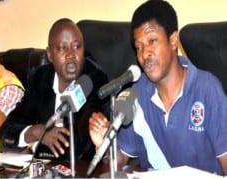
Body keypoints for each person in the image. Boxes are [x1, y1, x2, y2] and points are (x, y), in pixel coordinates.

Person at [89, 0, 227, 176]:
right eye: (138, 47)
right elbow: (119, 161)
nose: (144, 53)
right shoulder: (135, 96)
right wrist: (104, 145)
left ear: (173, 40)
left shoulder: (207, 90)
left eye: (152, 41)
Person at [0, 18, 109, 161]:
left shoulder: (94, 80)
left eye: (77, 47)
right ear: (50, 54)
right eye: (62, 48)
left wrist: (36, 146)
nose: (71, 54)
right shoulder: (39, 79)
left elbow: (79, 148)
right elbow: (4, 134)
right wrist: (36, 132)